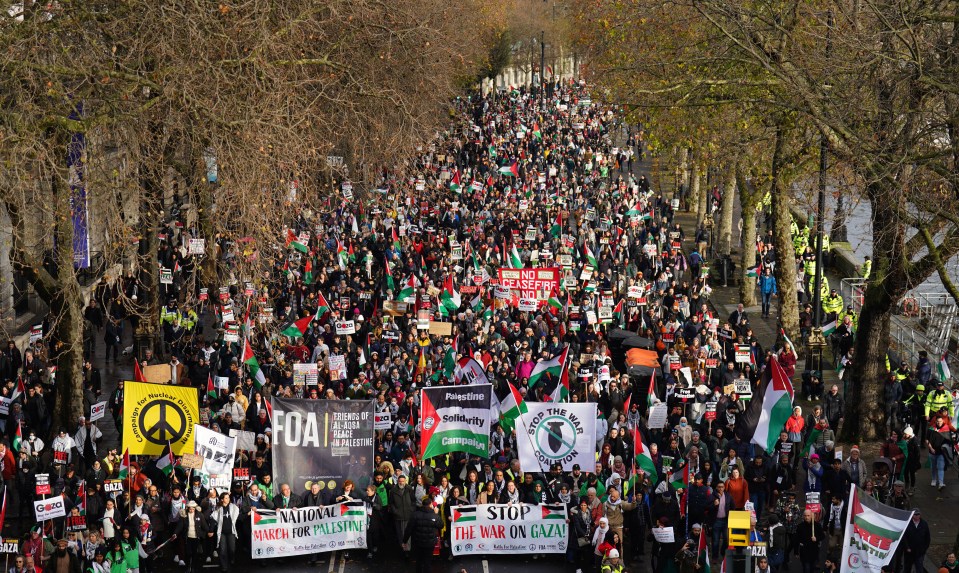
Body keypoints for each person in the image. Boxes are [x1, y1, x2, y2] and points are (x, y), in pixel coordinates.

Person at [404, 498, 442, 573]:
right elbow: (441, 525)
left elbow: (409, 529)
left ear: (422, 505)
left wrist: (404, 541)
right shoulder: (434, 516)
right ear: (431, 505)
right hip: (430, 543)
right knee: (427, 562)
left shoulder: (415, 515)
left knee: (419, 562)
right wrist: (436, 514)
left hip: (417, 542)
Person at [903, 509, 931, 573]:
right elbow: (904, 537)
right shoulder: (907, 523)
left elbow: (927, 538)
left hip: (920, 552)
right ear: (912, 515)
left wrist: (924, 549)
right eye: (915, 514)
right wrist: (907, 547)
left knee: (919, 568)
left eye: (918, 514)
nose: (916, 516)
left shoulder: (924, 524)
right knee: (907, 568)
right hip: (909, 552)